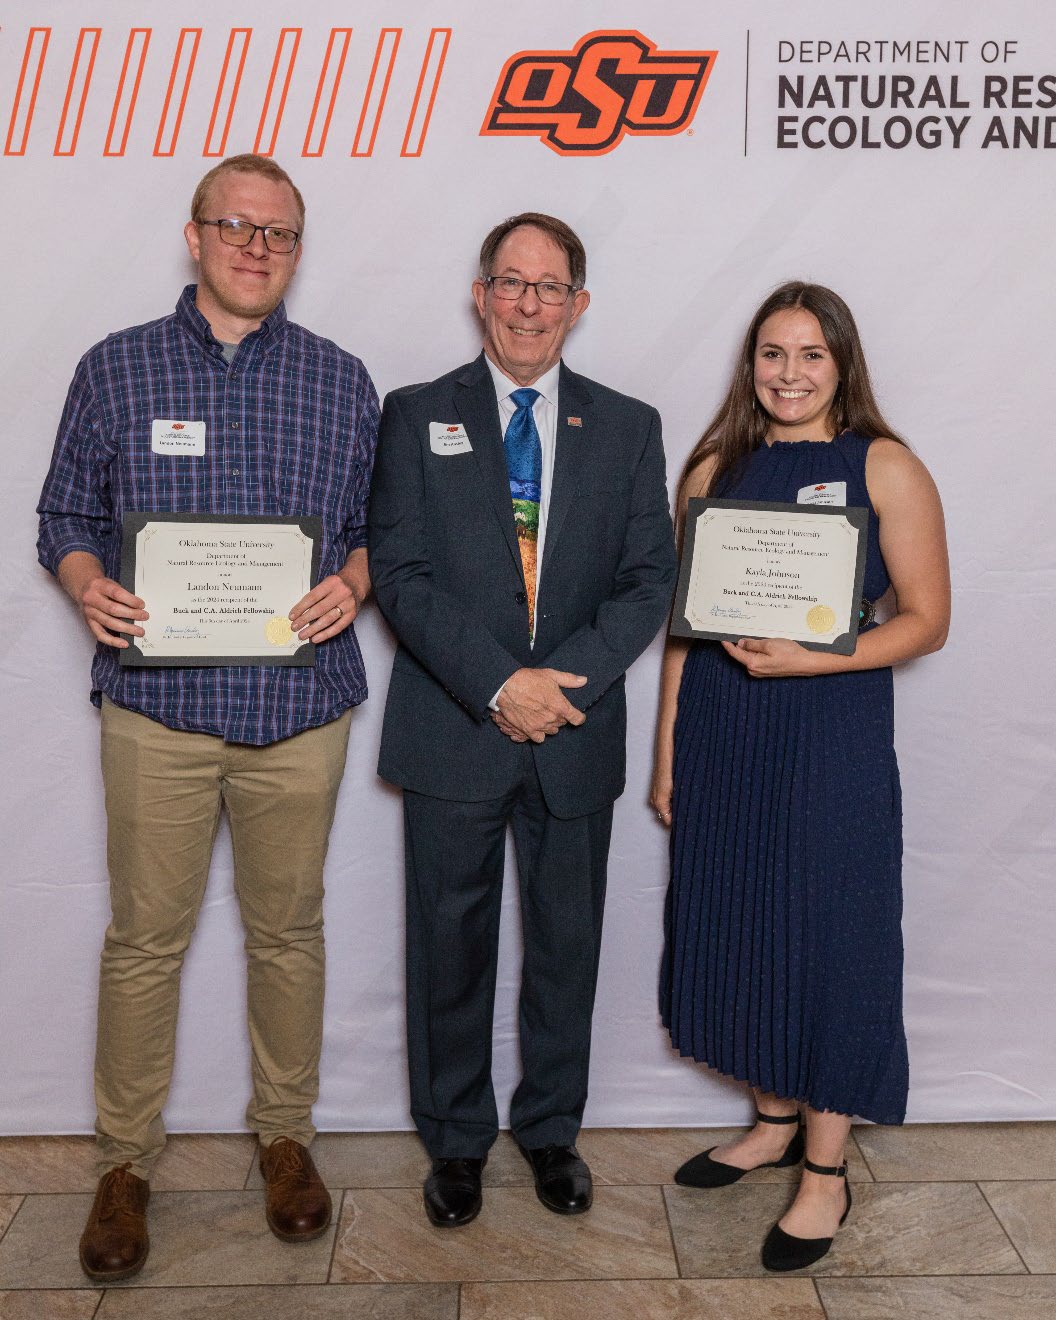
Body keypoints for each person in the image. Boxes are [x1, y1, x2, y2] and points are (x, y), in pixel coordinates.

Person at [36, 153, 379, 1280]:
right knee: (146, 942)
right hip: (158, 709)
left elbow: (388, 527)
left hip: (297, 708)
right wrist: (88, 582)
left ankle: (287, 1139)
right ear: (195, 236)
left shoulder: (340, 380)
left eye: (279, 234)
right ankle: (125, 1162)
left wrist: (358, 580)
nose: (256, 248)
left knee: (289, 934)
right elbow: (64, 515)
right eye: (236, 226)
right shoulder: (117, 367)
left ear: (296, 249)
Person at [368, 212, 677, 1227]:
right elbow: (402, 576)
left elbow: (646, 585)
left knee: (565, 945)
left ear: (578, 305)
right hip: (457, 725)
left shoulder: (628, 426)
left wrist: (561, 685)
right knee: (447, 946)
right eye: (511, 282)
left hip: (574, 737)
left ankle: (550, 1131)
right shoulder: (416, 414)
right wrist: (503, 684)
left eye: (551, 287)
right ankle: (455, 1142)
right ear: (480, 294)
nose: (530, 304)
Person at [652, 282, 949, 1271]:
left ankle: (826, 1170)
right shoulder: (712, 464)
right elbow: (684, 631)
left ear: (842, 365)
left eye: (811, 355)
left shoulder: (885, 463)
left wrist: (817, 659)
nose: (790, 373)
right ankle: (772, 1119)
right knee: (742, 926)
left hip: (830, 731)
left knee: (832, 939)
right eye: (773, 354)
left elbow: (925, 618)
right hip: (726, 738)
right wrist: (665, 754)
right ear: (750, 367)